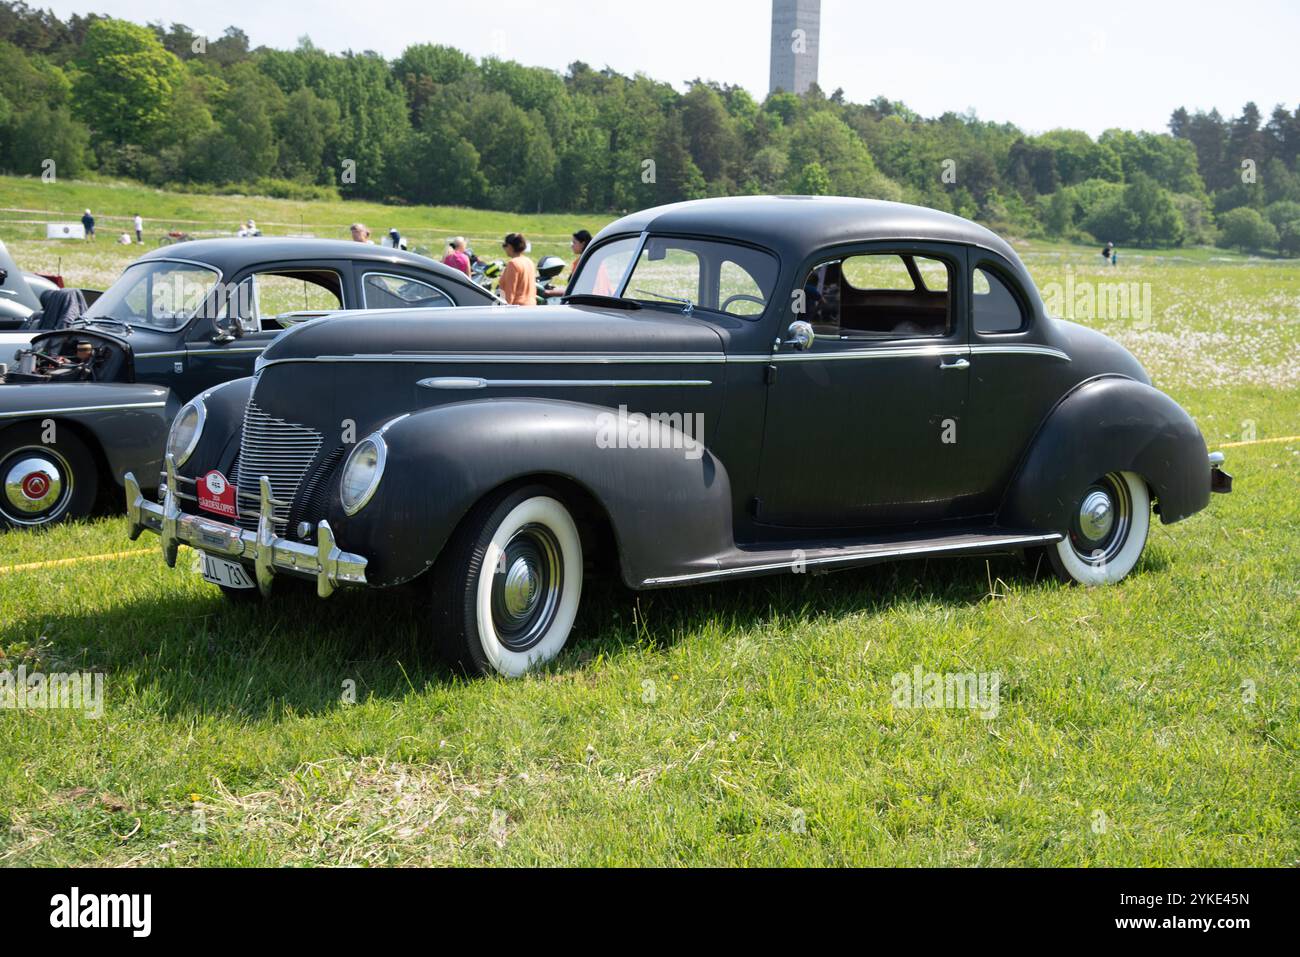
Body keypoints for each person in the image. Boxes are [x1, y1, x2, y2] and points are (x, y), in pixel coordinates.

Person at [497, 233, 537, 306]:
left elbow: (510, 292)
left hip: (516, 309)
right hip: (531, 306)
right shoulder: (529, 262)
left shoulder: (513, 263)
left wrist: (503, 311)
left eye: (505, 245)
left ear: (510, 246)